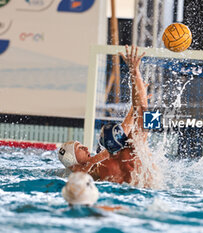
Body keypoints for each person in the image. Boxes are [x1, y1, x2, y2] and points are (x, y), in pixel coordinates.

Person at [58, 45, 155, 187]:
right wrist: (135, 71)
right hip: (152, 190)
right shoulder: (134, 147)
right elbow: (141, 111)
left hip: (130, 193)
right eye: (79, 148)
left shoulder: (97, 169)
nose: (85, 147)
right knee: (144, 116)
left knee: (143, 115)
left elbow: (137, 114)